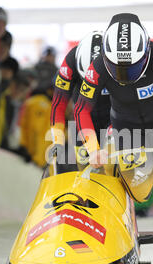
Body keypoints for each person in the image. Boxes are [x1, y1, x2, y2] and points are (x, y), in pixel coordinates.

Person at [73, 13, 153, 264]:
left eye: (131, 67)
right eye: (117, 68)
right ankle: (118, 244)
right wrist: (93, 148)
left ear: (144, 51)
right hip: (128, 130)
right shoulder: (98, 66)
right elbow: (82, 108)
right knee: (137, 189)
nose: (123, 75)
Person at [50, 31, 111, 167]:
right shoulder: (69, 63)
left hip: (113, 116)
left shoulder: (116, 59)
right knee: (87, 168)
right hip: (84, 118)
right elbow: (58, 106)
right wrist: (58, 142)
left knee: (115, 166)